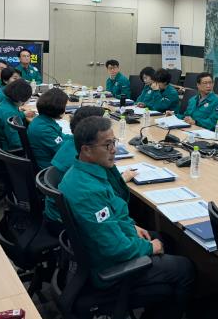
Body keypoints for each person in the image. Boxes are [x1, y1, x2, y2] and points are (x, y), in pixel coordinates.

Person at [59, 116, 195, 318]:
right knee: (186, 268)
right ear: (86, 149)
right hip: (109, 267)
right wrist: (149, 248)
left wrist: (131, 226)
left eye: (114, 142)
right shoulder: (89, 191)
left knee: (166, 240)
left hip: (103, 248)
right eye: (107, 145)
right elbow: (114, 248)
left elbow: (113, 212)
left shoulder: (85, 172)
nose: (114, 149)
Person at [44, 106, 138, 233]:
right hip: (67, 223)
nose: (113, 149)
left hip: (69, 216)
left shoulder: (73, 146)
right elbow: (106, 205)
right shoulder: (82, 162)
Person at [27, 88, 69, 169]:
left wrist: (76, 138)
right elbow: (62, 152)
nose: (65, 109)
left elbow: (60, 136)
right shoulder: (44, 129)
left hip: (47, 160)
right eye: (65, 106)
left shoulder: (42, 120)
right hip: (48, 167)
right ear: (57, 108)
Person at [0, 79, 33, 151]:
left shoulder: (5, 104)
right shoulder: (9, 113)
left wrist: (22, 114)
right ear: (22, 99)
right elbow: (16, 142)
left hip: (3, 144)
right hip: (11, 150)